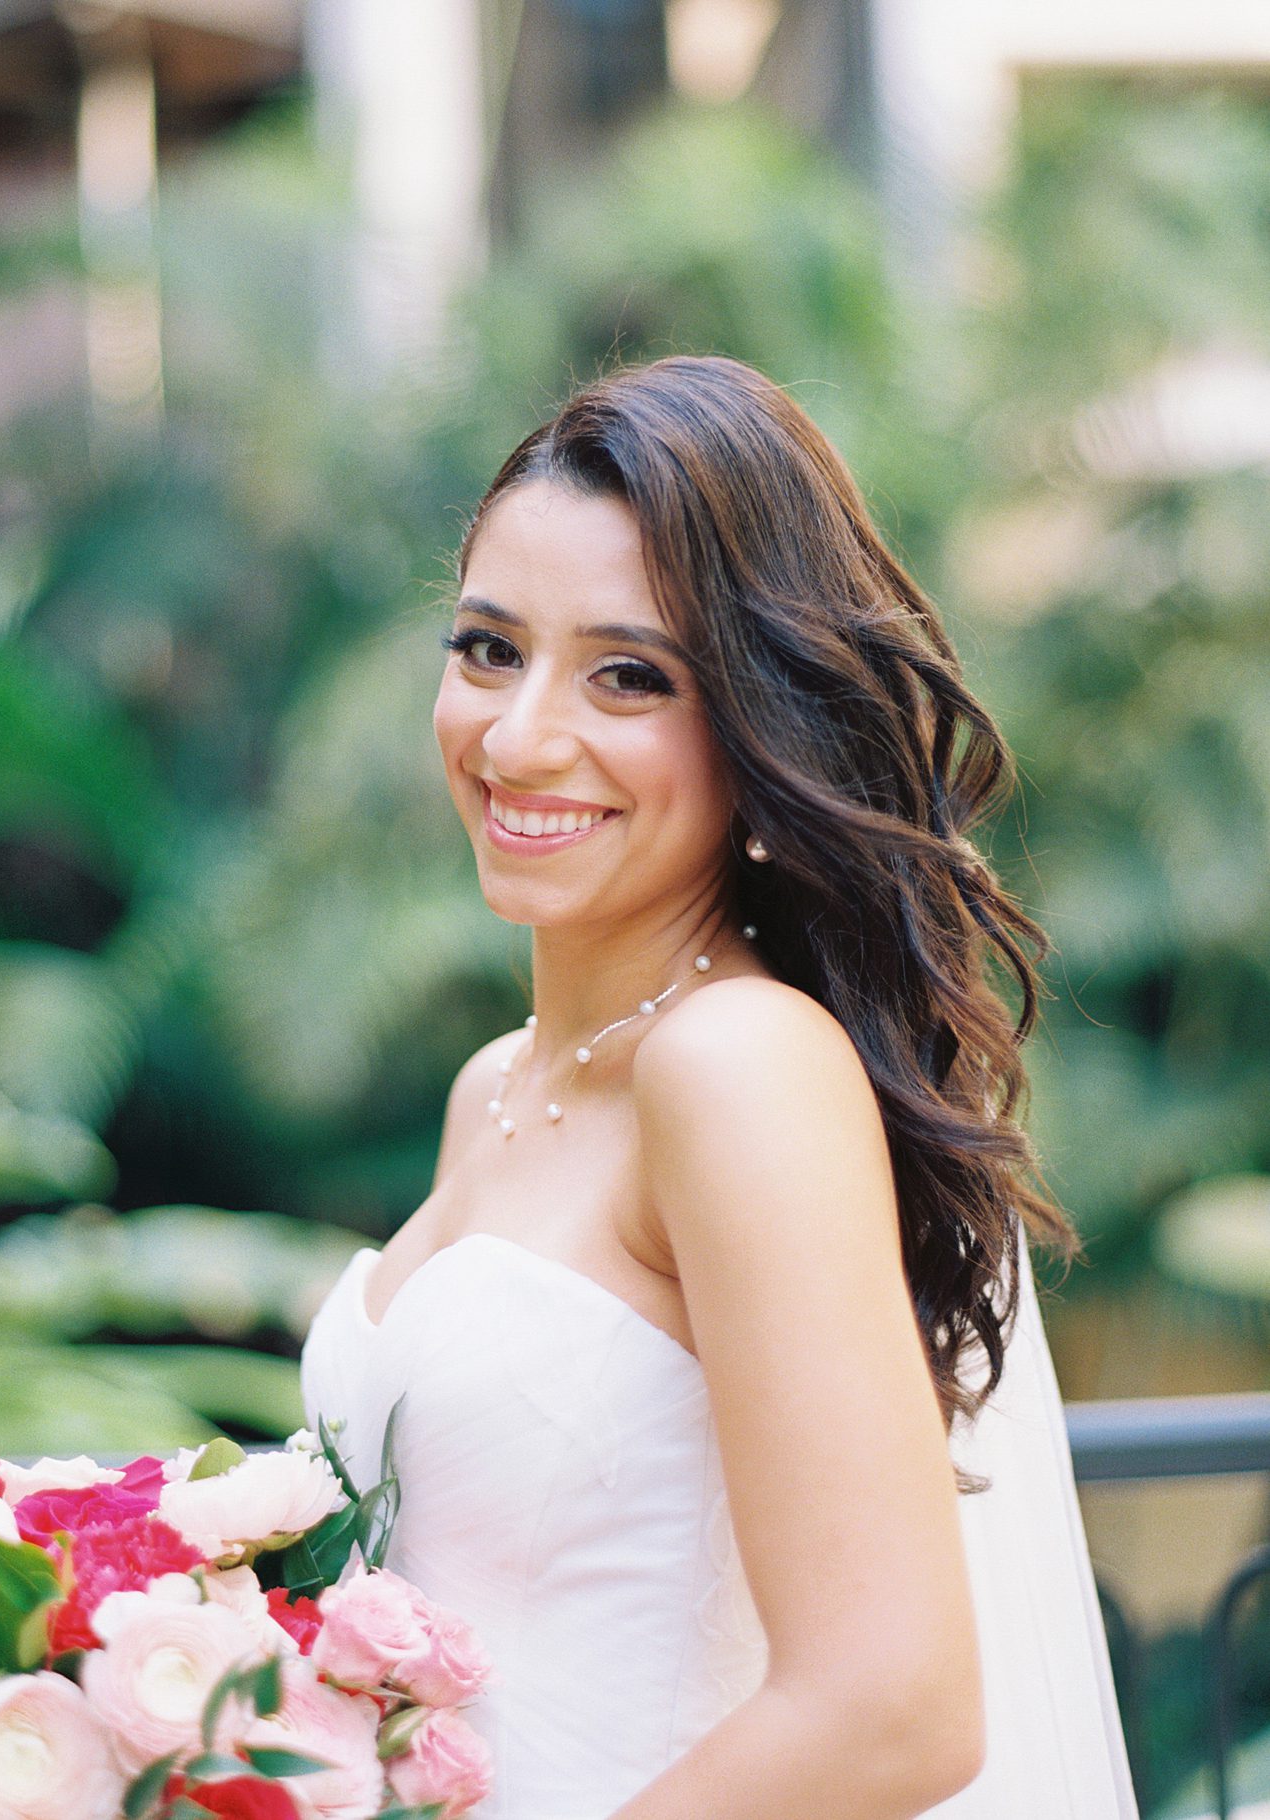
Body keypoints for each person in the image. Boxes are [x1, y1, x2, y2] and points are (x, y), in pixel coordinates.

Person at [299, 354, 1139, 1819]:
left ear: (761, 732)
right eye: (489, 648)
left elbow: (895, 1706)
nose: (516, 736)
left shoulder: (738, 1068)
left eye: (628, 675)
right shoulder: (494, 1086)